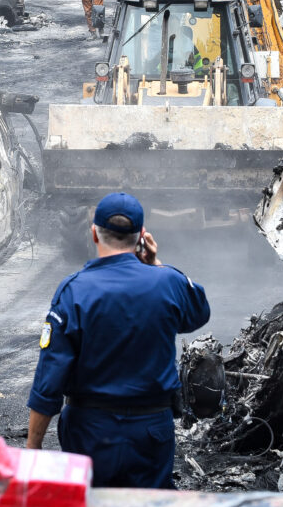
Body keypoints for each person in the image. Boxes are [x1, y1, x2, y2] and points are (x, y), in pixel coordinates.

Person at [26, 192, 210, 488]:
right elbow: (198, 314)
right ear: (142, 237)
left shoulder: (74, 290)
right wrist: (157, 264)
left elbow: (49, 379)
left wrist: (33, 448)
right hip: (151, 431)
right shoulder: (168, 282)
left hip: (89, 432)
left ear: (94, 234)